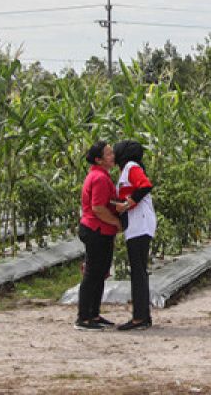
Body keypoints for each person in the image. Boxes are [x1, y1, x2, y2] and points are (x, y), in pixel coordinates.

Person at [76, 140, 129, 330]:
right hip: (96, 230)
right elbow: (97, 208)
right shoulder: (98, 178)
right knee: (92, 274)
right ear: (99, 160)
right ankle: (83, 317)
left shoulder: (101, 175)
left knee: (99, 274)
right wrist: (116, 222)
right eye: (108, 154)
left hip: (101, 230)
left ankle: (94, 314)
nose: (112, 156)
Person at [113, 140, 155, 331]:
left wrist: (127, 204)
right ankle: (143, 315)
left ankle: (140, 318)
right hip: (137, 225)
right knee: (139, 270)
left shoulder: (131, 167)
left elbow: (145, 185)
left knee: (138, 271)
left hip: (140, 224)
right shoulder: (127, 170)